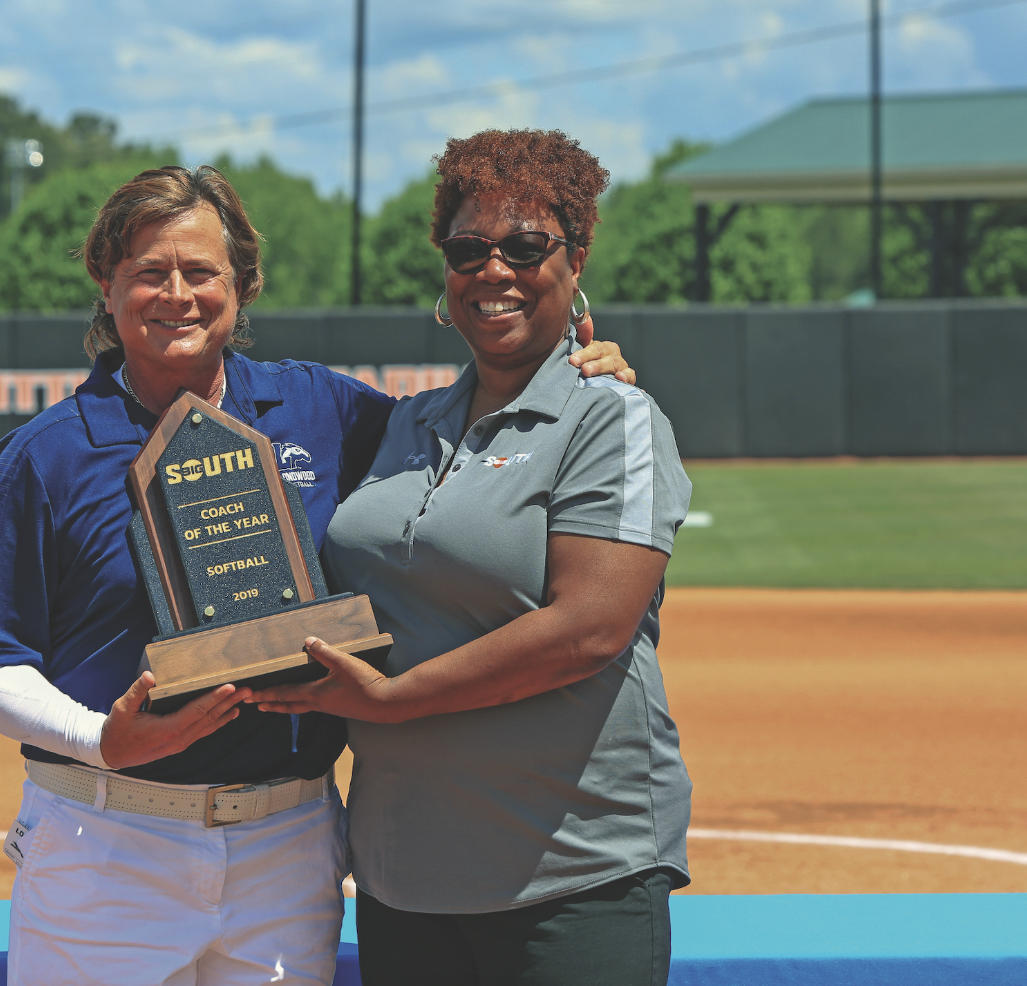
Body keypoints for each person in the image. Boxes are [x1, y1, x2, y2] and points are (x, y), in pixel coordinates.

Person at [0, 163, 635, 986]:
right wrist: (102, 740)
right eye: (148, 273)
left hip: (289, 842)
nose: (177, 295)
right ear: (106, 282)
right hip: (107, 847)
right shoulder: (45, 453)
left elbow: (470, 449)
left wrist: (577, 372)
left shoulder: (322, 410)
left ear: (242, 284)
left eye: (201, 272)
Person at [251, 130, 694, 986]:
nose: (494, 271)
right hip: (401, 873)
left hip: (571, 871)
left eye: (527, 246)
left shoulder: (614, 420)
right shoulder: (403, 426)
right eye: (467, 249)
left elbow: (589, 630)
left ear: (577, 257)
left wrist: (389, 699)